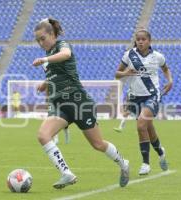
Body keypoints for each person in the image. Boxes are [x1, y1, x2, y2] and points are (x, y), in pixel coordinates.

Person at [32, 18, 129, 189]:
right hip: (62, 107)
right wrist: (45, 83)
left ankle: (123, 163)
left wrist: (43, 60)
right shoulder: (48, 56)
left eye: (43, 38)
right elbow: (57, 74)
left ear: (53, 35)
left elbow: (66, 55)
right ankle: (66, 173)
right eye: (37, 40)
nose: (40, 43)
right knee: (43, 135)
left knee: (98, 144)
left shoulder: (62, 45)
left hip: (79, 103)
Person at [115, 29, 173, 175]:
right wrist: (125, 73)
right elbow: (117, 74)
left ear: (149, 41)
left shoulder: (157, 56)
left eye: (143, 39)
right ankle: (160, 152)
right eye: (138, 39)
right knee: (148, 128)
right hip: (135, 97)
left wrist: (170, 81)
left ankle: (145, 163)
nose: (140, 41)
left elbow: (166, 68)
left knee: (141, 124)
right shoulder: (129, 55)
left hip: (152, 95)